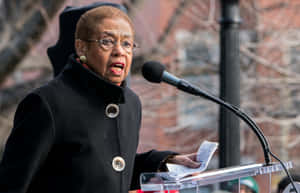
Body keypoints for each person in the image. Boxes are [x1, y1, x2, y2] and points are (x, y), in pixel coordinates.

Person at [0, 2, 200, 193]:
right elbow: (12, 184)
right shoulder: (46, 103)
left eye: (127, 43)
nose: (119, 51)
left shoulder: (130, 103)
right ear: (81, 47)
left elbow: (106, 172)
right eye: (107, 41)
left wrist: (162, 162)